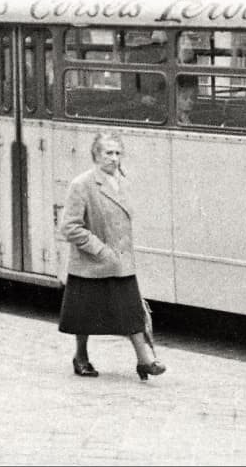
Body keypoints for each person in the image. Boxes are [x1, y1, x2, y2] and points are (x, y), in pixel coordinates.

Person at [57, 132, 166, 381]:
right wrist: (100, 249)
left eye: (118, 153)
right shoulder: (82, 184)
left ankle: (144, 359)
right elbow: (70, 227)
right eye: (108, 153)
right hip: (91, 263)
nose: (114, 159)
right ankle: (81, 357)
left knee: (131, 312)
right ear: (96, 154)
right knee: (82, 317)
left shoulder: (123, 182)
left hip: (120, 262)